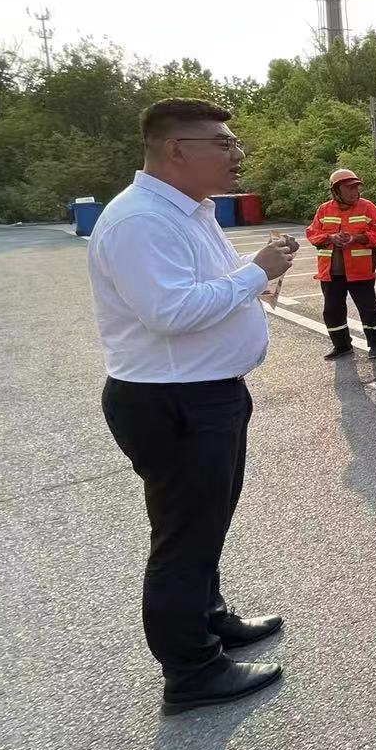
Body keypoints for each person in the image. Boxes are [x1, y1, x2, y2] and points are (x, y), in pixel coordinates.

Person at [89, 98, 295, 713]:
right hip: (174, 400)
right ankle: (192, 671)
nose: (237, 154)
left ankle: (210, 619)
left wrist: (252, 275)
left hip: (206, 394)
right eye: (222, 142)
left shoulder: (190, 211)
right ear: (175, 150)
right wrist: (256, 274)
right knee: (184, 537)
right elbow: (171, 312)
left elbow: (209, 283)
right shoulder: (140, 222)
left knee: (205, 525)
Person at [305, 169, 376, 360]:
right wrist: (330, 237)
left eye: (356, 187)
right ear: (336, 190)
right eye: (348, 188)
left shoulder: (368, 207)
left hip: (360, 272)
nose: (354, 191)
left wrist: (357, 238)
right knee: (332, 310)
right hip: (331, 273)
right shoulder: (324, 209)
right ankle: (341, 345)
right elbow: (312, 233)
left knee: (368, 309)